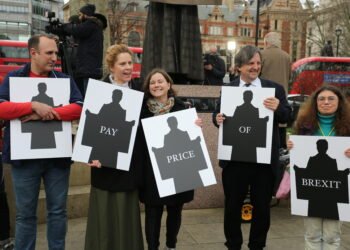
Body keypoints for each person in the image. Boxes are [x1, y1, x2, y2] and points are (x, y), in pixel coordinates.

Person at [0, 34, 83, 250]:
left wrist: (48, 112)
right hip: (24, 160)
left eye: (56, 52)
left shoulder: (63, 80)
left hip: (57, 159)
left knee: (58, 212)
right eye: (49, 53)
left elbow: (80, 107)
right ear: (33, 53)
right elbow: (2, 108)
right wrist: (33, 106)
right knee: (25, 214)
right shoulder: (14, 79)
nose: (55, 57)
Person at [213, 45, 291, 250]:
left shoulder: (274, 89)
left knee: (262, 208)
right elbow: (217, 116)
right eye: (250, 64)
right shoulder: (228, 89)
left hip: (263, 161)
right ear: (239, 67)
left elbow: (287, 117)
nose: (255, 67)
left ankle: (257, 245)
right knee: (232, 207)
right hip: (235, 159)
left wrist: (278, 108)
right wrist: (217, 118)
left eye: (258, 63)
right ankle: (233, 244)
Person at [84, 44, 144, 250]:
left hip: (128, 163)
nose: (128, 67)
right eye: (123, 64)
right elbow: (90, 123)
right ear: (112, 67)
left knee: (126, 210)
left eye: (130, 63)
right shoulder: (98, 91)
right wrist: (90, 154)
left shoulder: (139, 90)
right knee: (105, 211)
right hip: (103, 162)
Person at [139, 68, 202, 250]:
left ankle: (171, 245)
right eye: (152, 82)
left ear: (168, 85)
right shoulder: (142, 110)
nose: (156, 85)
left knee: (175, 210)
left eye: (160, 81)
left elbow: (190, 140)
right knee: (153, 212)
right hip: (152, 170)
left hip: (178, 168)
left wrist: (195, 126)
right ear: (148, 87)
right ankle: (153, 247)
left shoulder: (183, 109)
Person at [287, 85, 350, 250]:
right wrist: (292, 146)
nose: (326, 102)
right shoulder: (304, 125)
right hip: (313, 192)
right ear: (315, 103)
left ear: (340, 102)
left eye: (331, 99)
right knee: (312, 235)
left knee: (332, 237)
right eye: (321, 99)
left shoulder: (348, 126)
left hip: (334, 193)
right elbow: (301, 162)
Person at [62, 4, 105, 97]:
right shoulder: (95, 26)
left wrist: (64, 26)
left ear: (86, 15)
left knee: (87, 97)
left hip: (88, 67)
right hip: (90, 67)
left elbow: (76, 30)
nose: (79, 17)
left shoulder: (90, 24)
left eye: (80, 14)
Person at [260, 31, 291, 149]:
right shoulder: (287, 56)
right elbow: (289, 77)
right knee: (280, 137)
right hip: (282, 100)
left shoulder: (262, 54)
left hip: (265, 100)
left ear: (266, 42)